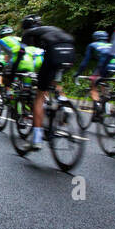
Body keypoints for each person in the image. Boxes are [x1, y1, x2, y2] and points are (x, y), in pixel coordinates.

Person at [14, 15, 76, 150]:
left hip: (54, 52)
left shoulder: (28, 34)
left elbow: (20, 56)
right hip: (70, 50)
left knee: (39, 95)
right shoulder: (48, 29)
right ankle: (63, 103)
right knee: (54, 82)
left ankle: (36, 139)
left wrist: (12, 74)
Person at [75, 29, 115, 116]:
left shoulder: (93, 45)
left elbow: (85, 62)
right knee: (102, 80)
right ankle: (106, 101)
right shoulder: (111, 45)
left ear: (95, 38)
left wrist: (78, 72)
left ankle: (97, 105)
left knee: (93, 83)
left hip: (105, 65)